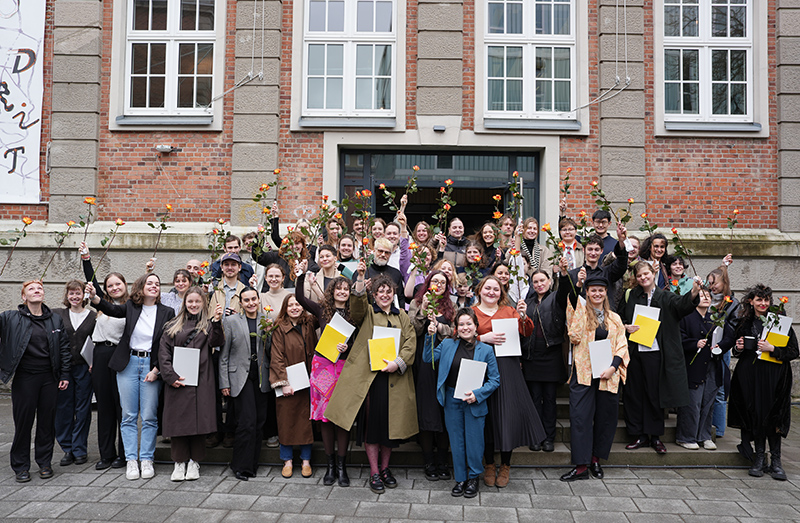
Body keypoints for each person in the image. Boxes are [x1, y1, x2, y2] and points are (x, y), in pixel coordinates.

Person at [325, 268, 418, 494]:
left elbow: (410, 343)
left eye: (388, 291)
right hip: (370, 380)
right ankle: (374, 472)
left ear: (393, 293)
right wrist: (358, 280)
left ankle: (386, 469)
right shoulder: (366, 312)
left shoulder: (402, 316)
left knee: (390, 429)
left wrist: (397, 363)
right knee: (372, 429)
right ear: (374, 295)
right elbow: (355, 307)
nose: (384, 295)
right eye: (380, 292)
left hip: (394, 378)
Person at [86, 274, 176, 480]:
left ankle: (146, 459)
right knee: (128, 415)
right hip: (128, 364)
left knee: (149, 416)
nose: (154, 286)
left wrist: (157, 369)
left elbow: (167, 344)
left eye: (157, 284)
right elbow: (111, 309)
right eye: (150, 283)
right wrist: (94, 296)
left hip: (150, 367)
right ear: (140, 287)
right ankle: (131, 460)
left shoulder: (167, 312)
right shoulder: (130, 307)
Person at [619, 261, 700, 455]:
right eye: (639, 276)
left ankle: (654, 437)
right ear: (636, 279)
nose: (643, 278)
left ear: (653, 273)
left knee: (654, 395)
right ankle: (638, 434)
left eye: (646, 274)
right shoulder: (631, 296)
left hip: (656, 353)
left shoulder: (665, 296)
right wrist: (625, 326)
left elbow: (682, 306)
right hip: (635, 351)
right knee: (634, 394)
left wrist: (694, 292)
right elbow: (618, 318)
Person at [472, 276, 545, 488]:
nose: (491, 292)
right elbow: (459, 333)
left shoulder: (509, 311)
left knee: (507, 415)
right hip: (482, 368)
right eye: (488, 288)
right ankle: (488, 464)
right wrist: (482, 338)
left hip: (508, 368)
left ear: (502, 293)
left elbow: (526, 331)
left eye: (496, 289)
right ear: (479, 290)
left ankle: (505, 464)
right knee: (486, 417)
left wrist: (523, 315)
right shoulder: (472, 312)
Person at [423, 308, 500, 498]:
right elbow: (428, 357)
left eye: (469, 324)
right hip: (452, 398)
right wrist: (430, 336)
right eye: (461, 324)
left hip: (474, 400)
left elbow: (495, 380)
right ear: (456, 327)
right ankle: (461, 479)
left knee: (474, 441)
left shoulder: (486, 350)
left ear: (476, 326)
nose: (465, 327)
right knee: (456, 442)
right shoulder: (448, 344)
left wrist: (478, 394)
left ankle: (473, 477)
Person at [0, 281, 71, 483]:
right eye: (31, 289)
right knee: (23, 423)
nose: (36, 290)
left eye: (39, 288)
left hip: (50, 378)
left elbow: (64, 349)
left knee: (47, 424)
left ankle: (44, 463)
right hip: (25, 378)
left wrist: (65, 375)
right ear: (24, 297)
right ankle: (21, 466)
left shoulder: (55, 320)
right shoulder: (10, 318)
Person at [560, 274, 629, 481]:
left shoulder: (614, 319)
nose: (597, 293)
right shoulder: (580, 313)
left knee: (605, 420)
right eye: (593, 290)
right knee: (580, 418)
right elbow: (574, 335)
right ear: (588, 293)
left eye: (601, 290)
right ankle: (581, 466)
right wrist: (578, 288)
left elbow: (622, 345)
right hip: (583, 374)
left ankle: (596, 460)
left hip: (607, 374)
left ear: (606, 292)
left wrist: (613, 367)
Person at [726, 284, 798, 481]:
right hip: (752, 376)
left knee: (774, 416)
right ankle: (759, 459)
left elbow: (793, 352)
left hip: (775, 376)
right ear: (752, 301)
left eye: (766, 300)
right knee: (756, 414)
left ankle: (776, 461)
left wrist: (772, 348)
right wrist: (739, 347)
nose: (763, 303)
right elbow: (736, 350)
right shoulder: (744, 322)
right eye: (759, 300)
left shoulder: (780, 322)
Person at [296, 273, 355, 486]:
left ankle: (342, 466)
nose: (342, 292)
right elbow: (300, 299)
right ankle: (330, 466)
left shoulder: (354, 312)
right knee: (325, 417)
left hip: (344, 367)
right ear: (332, 291)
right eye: (338, 288)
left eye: (345, 289)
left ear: (350, 293)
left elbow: (359, 339)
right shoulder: (323, 310)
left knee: (342, 418)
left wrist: (349, 347)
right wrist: (301, 274)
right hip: (322, 367)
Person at [159, 287, 224, 481]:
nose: (194, 305)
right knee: (178, 422)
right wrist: (170, 376)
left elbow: (216, 342)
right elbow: (163, 353)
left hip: (202, 380)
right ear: (184, 303)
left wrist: (218, 322)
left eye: (197, 301)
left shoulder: (209, 325)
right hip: (178, 380)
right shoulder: (172, 325)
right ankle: (179, 462)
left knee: (198, 423)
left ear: (203, 303)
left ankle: (195, 462)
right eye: (190, 302)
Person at [81, 246, 128, 470]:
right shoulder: (101, 305)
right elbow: (91, 280)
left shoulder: (130, 307)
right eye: (110, 285)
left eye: (118, 283)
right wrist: (86, 259)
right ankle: (106, 454)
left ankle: (123, 454)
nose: (114, 287)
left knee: (121, 407)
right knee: (104, 407)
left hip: (119, 357)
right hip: (100, 356)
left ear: (125, 286)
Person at [220, 287, 272, 481]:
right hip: (239, 378)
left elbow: (270, 350)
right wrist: (224, 382)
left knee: (258, 423)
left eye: (253, 299)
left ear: (259, 300)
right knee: (246, 422)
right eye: (246, 300)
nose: (250, 303)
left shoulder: (266, 320)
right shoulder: (231, 321)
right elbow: (224, 355)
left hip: (260, 377)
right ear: (240, 303)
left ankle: (252, 465)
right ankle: (240, 465)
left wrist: (269, 334)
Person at [409, 271, 455, 481]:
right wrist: (423, 310)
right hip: (424, 362)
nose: (438, 284)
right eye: (435, 281)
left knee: (443, 410)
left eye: (443, 282)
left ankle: (443, 460)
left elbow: (455, 331)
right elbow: (413, 329)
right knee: (427, 408)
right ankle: (428, 460)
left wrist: (439, 327)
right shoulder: (416, 303)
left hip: (445, 360)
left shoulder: (450, 306)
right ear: (428, 283)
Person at [270, 294, 317, 479]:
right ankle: (287, 461)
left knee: (306, 422)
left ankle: (306, 461)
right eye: (291, 305)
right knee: (286, 421)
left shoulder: (309, 324)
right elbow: (277, 357)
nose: (295, 308)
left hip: (308, 381)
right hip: (289, 383)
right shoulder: (279, 328)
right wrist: (284, 382)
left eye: (298, 304)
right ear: (285, 308)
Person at [522, 267, 569, 453]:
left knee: (549, 399)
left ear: (549, 281)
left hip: (551, 355)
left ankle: (549, 437)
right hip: (532, 356)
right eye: (536, 282)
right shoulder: (528, 302)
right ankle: (535, 436)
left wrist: (564, 275)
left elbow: (566, 290)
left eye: (542, 280)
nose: (539, 284)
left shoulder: (556, 298)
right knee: (534, 399)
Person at [676, 289, 727, 451]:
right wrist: (694, 343)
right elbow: (679, 338)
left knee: (708, 402)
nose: (705, 298)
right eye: (701, 295)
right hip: (694, 365)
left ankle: (704, 436)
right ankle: (686, 437)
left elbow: (728, 337)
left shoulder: (715, 318)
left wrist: (720, 346)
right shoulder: (686, 317)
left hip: (712, 365)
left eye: (708, 296)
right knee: (693, 402)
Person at [53, 280, 96, 467]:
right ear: (67, 296)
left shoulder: (93, 316)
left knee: (83, 408)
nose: (75, 297)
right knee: (63, 408)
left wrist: (94, 362)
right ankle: (67, 448)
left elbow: (97, 340)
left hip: (84, 369)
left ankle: (80, 449)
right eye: (71, 293)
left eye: (78, 293)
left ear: (84, 296)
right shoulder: (57, 314)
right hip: (64, 369)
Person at [565, 224, 630, 306]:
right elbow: (568, 301)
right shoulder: (573, 274)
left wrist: (621, 241)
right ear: (583, 250)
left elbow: (621, 264)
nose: (593, 253)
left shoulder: (608, 272)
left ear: (601, 251)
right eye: (590, 249)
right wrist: (578, 284)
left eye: (596, 249)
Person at [366, 237, 406, 309]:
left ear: (390, 254)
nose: (383, 255)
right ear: (374, 251)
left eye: (387, 252)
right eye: (380, 251)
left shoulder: (396, 273)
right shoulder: (364, 272)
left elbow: (400, 298)